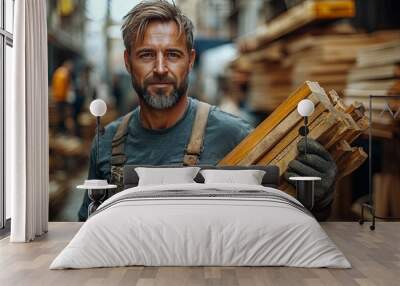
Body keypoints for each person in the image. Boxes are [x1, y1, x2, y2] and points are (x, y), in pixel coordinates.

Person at [78, 0, 336, 221]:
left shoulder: (236, 136)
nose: (159, 68)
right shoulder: (107, 142)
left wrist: (316, 199)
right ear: (127, 61)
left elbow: (278, 223)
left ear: (190, 60)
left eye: (172, 55)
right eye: (146, 55)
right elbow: (86, 226)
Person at [51, 60, 74, 133]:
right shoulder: (65, 73)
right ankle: (63, 131)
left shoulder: (58, 71)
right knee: (64, 116)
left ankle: (59, 131)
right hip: (62, 98)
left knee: (59, 116)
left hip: (57, 97)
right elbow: (67, 88)